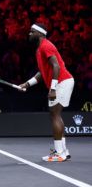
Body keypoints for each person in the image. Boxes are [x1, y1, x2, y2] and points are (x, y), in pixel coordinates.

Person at [19, 23, 74, 162]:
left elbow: (56, 66)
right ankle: (63, 151)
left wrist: (53, 88)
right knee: (56, 114)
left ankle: (59, 153)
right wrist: (27, 84)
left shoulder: (46, 45)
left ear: (40, 34)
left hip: (62, 82)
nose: (29, 34)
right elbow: (42, 73)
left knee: (54, 114)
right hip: (63, 82)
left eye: (32, 32)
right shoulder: (39, 49)